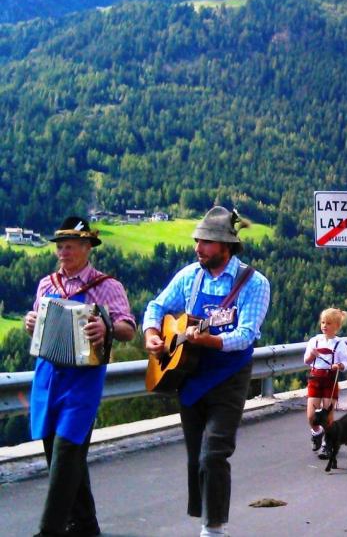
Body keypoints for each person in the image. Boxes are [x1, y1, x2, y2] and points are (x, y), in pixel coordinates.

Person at [143, 207, 270, 537]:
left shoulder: (255, 284)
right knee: (195, 457)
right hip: (191, 374)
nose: (198, 247)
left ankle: (214, 529)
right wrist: (153, 335)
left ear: (226, 246)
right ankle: (206, 519)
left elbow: (245, 335)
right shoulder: (190, 276)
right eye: (198, 240)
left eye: (206, 242)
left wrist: (210, 340)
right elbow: (156, 307)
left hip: (229, 375)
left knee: (214, 452)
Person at [25, 216, 136, 537]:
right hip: (47, 375)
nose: (62, 252)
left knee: (67, 452)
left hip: (84, 380)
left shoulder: (107, 286)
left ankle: (50, 530)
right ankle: (86, 525)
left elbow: (129, 328)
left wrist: (107, 327)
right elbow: (37, 323)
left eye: (69, 246)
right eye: (60, 247)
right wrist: (30, 322)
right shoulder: (47, 284)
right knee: (57, 453)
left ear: (87, 248)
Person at [304, 308, 347, 459]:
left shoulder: (340, 344)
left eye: (329, 323)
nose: (324, 326)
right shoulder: (314, 341)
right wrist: (312, 354)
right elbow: (306, 361)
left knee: (328, 414)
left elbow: (345, 363)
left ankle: (326, 444)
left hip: (330, 380)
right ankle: (317, 432)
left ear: (336, 326)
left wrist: (339, 366)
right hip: (315, 379)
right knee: (312, 416)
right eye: (323, 322)